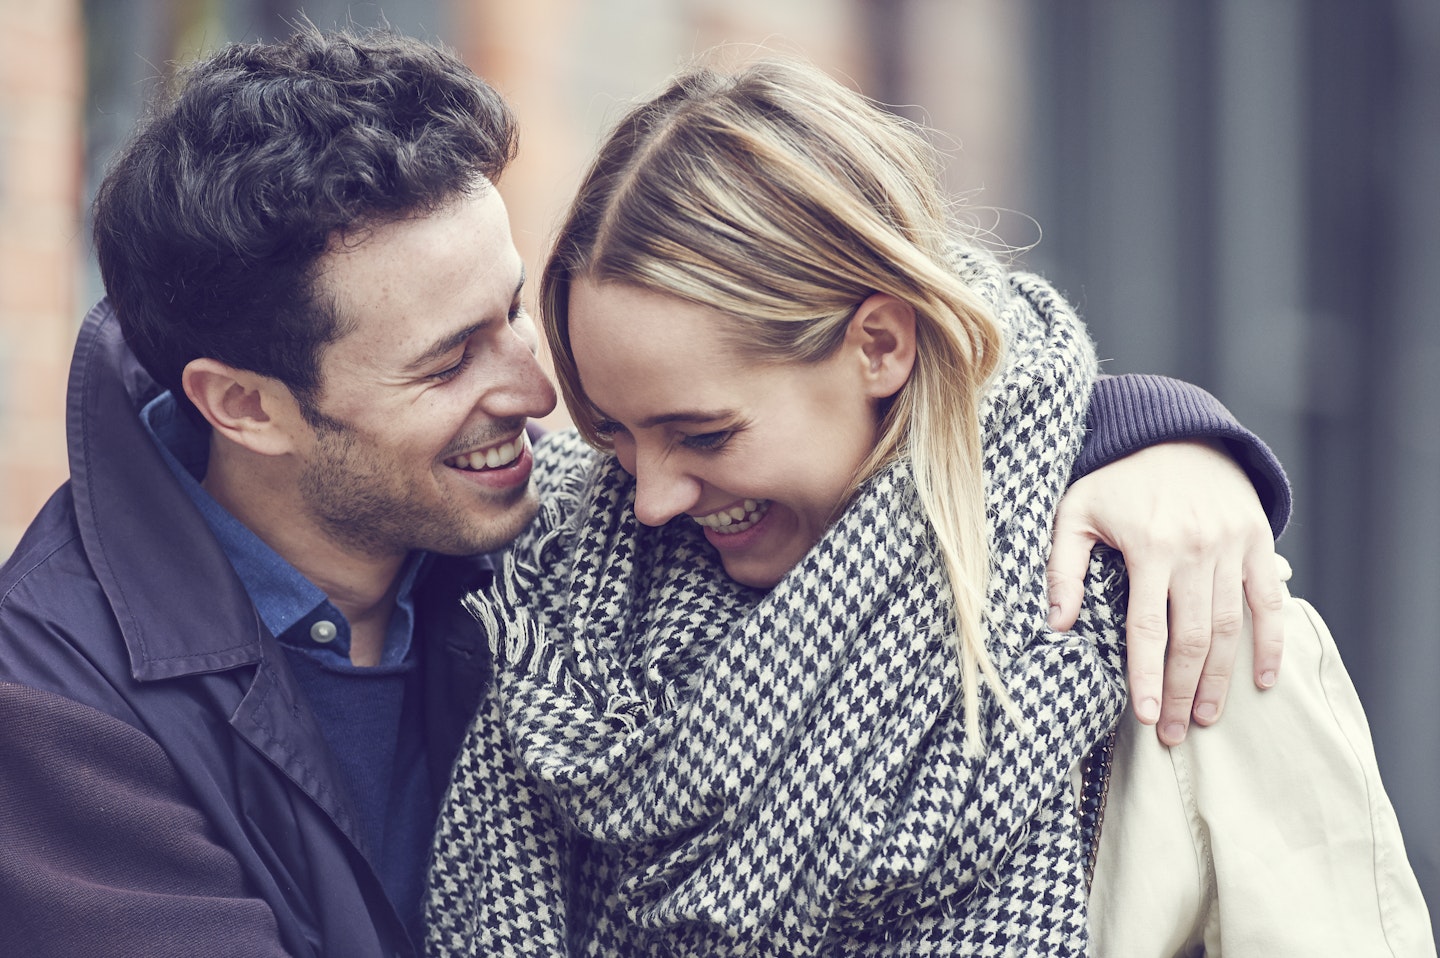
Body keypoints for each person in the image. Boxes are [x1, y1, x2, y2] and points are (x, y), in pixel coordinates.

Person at [0, 26, 1282, 958]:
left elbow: (885, 429)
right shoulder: (59, 715)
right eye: (450, 361)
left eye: (507, 312)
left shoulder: (551, 536)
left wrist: (1160, 441)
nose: (541, 396)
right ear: (247, 405)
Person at [425, 56, 1433, 956]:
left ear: (879, 345)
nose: (648, 500)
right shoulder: (555, 626)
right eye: (612, 432)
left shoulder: (1185, 627)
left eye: (704, 433)